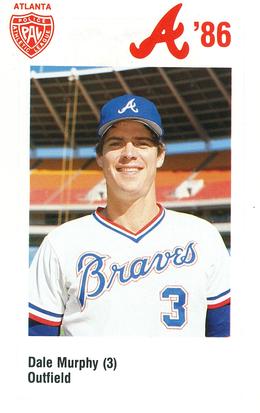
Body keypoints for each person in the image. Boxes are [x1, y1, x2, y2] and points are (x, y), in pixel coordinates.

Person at [29, 94, 230, 336]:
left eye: (142, 143)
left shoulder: (203, 237)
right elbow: (36, 353)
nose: (129, 153)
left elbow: (225, 341)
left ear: (160, 155)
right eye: (115, 143)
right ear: (100, 158)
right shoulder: (59, 244)